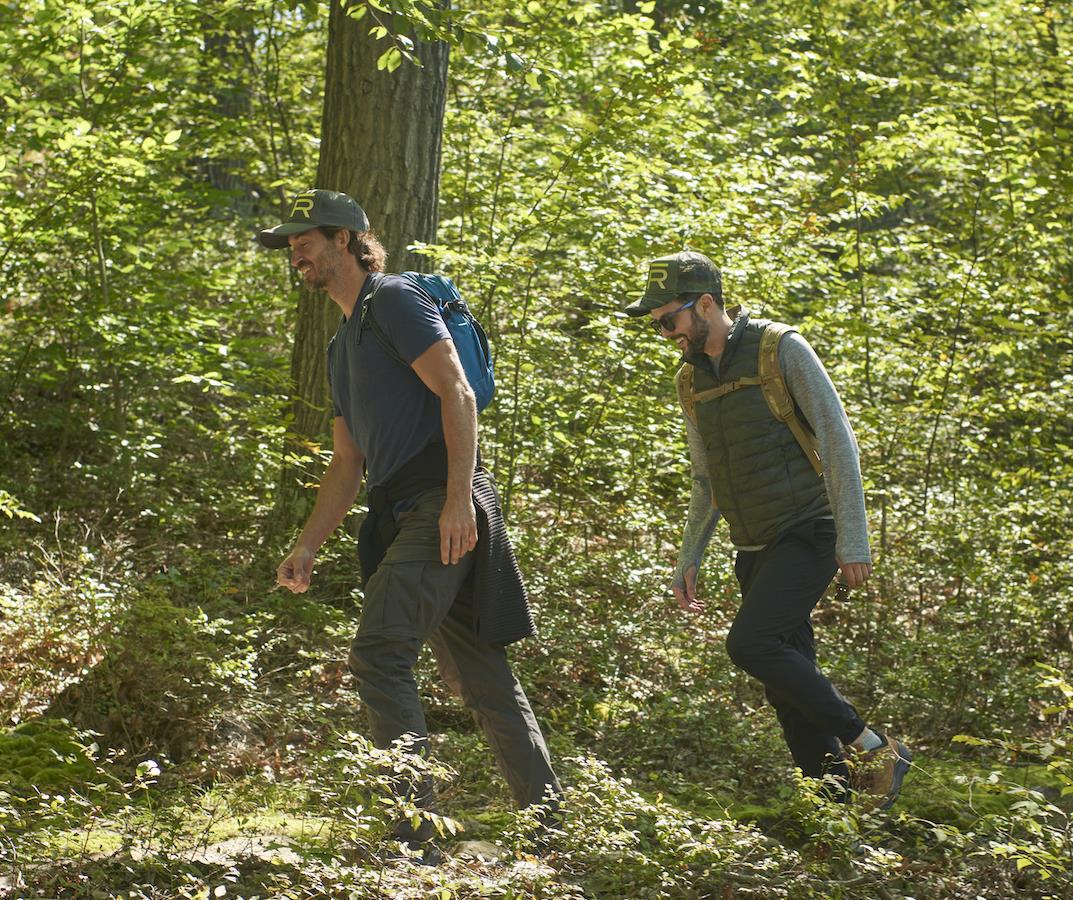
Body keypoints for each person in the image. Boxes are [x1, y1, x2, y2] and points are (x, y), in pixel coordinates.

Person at [259, 189, 559, 857]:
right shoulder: (341, 345)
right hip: (405, 511)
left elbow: (455, 389)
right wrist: (307, 546)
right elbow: (347, 460)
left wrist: (457, 499)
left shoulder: (392, 300)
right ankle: (549, 829)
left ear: (345, 239)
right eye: (289, 245)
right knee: (483, 680)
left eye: (304, 239)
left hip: (441, 501)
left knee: (377, 654)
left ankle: (414, 840)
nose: (294, 252)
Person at [623, 250, 910, 808]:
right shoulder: (691, 380)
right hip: (751, 545)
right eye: (656, 323)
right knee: (786, 686)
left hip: (808, 531)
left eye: (668, 319)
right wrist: (690, 555)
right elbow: (706, 476)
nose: (665, 333)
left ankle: (874, 746)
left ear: (705, 303)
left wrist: (854, 540)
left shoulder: (781, 348)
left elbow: (836, 439)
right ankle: (835, 814)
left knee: (751, 644)